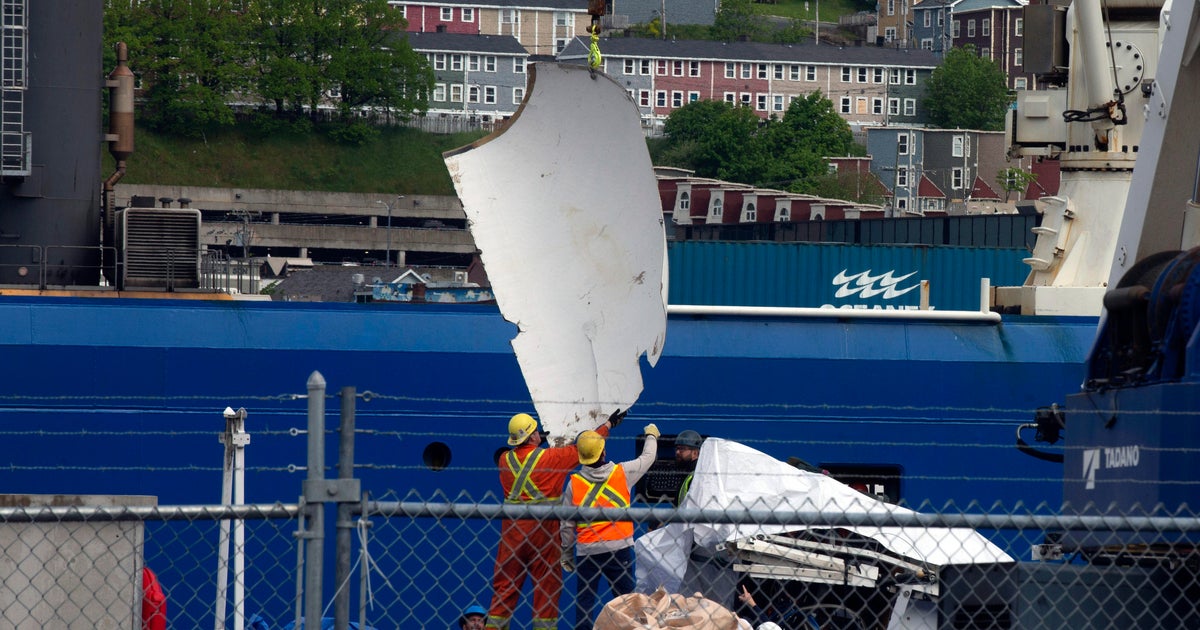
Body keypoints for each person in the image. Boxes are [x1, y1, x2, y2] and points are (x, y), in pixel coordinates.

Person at [485, 410, 623, 630]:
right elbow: (586, 447)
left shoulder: (504, 460)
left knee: (505, 590)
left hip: (512, 535)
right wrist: (607, 424)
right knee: (545, 591)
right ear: (532, 436)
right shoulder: (551, 458)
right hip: (544, 535)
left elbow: (525, 460)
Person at [560, 424, 659, 630]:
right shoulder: (622, 473)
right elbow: (647, 458)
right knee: (626, 600)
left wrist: (567, 552)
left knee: (585, 602)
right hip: (618, 548)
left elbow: (567, 524)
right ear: (603, 452)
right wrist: (651, 435)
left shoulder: (574, 483)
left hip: (588, 551)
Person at [673, 429, 703, 506]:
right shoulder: (688, 473)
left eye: (682, 449)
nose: (677, 452)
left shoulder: (697, 476)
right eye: (677, 448)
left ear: (695, 453)